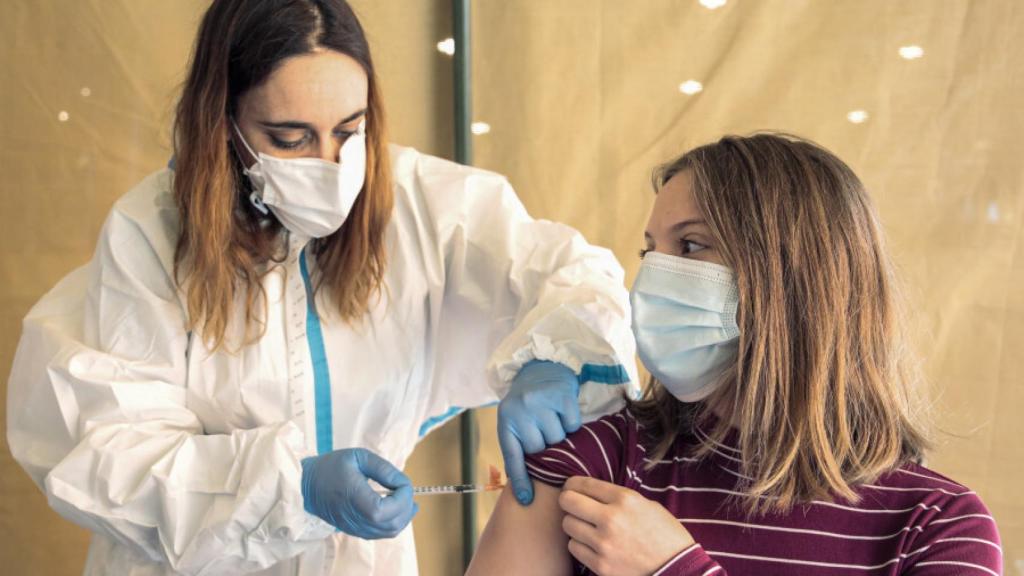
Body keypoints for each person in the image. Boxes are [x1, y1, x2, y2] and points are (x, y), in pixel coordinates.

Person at [5, 1, 639, 574]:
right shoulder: (150, 236)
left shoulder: (421, 206)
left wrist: (557, 354)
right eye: (290, 138)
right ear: (223, 122)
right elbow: (108, 456)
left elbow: (571, 273)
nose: (332, 167)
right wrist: (291, 490)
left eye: (349, 129)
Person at [467, 134, 1003, 575]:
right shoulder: (600, 463)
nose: (652, 278)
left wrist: (675, 570)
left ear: (795, 274)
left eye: (692, 245)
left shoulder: (935, 527)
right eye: (650, 251)